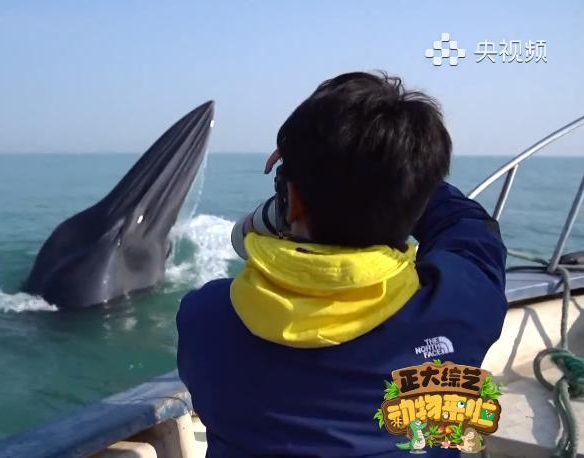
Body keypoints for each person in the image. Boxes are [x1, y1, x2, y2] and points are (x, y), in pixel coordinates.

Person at [176, 71, 508, 457]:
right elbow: (466, 224)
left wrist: (320, 168)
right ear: (418, 199)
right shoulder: (462, 305)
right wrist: (399, 172)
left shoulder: (206, 319)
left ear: (292, 199)